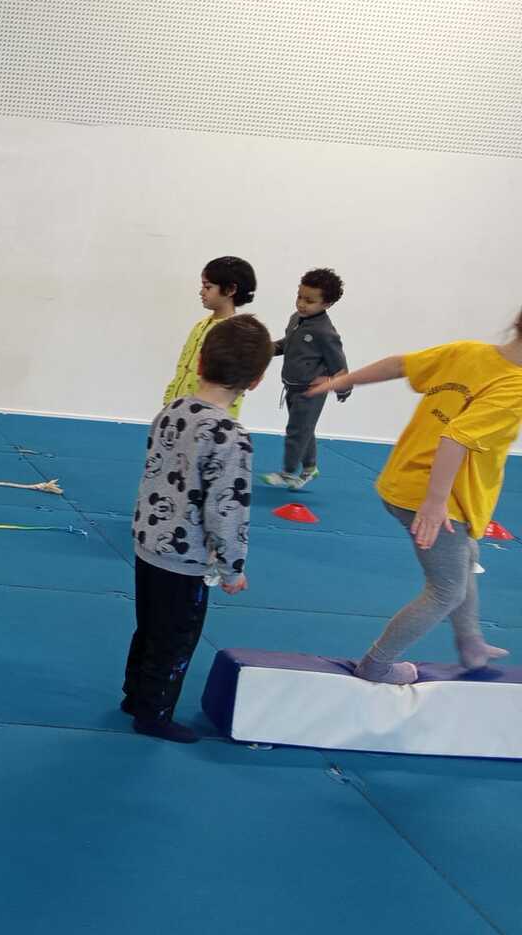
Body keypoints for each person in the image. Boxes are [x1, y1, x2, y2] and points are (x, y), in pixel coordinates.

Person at [308, 310, 522, 683]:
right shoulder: (516, 388)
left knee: (466, 555)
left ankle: (471, 643)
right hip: (438, 497)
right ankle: (376, 665)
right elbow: (454, 438)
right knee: (446, 591)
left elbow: (399, 364)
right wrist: (436, 503)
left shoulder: (469, 351)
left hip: (402, 478)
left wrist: (342, 380)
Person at [125, 314, 273, 742]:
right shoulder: (230, 435)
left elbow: (155, 470)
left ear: (202, 362)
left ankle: (135, 695)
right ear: (257, 381)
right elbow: (227, 509)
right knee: (176, 639)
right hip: (185, 557)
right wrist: (232, 567)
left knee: (149, 627)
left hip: (148, 542)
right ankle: (154, 713)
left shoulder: (171, 411)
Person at [263, 268, 351, 489]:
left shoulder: (325, 332)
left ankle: (288, 472)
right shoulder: (296, 319)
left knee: (296, 432)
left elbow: (338, 362)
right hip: (292, 386)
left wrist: (343, 388)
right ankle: (310, 468)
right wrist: (266, 348)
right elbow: (288, 344)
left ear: (327, 304)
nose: (301, 304)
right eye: (299, 297)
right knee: (304, 430)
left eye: (309, 301)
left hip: (311, 391)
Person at [163, 256, 258, 419]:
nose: (201, 292)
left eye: (208, 287)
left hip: (210, 419)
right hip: (179, 412)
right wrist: (169, 402)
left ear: (230, 290)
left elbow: (237, 381)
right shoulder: (200, 326)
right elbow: (183, 368)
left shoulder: (236, 333)